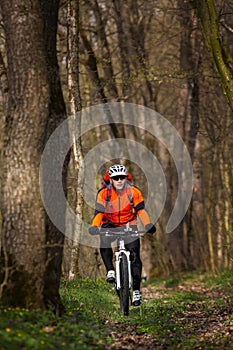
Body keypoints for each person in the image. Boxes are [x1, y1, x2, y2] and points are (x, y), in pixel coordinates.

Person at [88, 164, 156, 306]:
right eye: (116, 178)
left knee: (135, 255)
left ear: (126, 178)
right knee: (104, 240)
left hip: (128, 225)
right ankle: (110, 271)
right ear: (110, 180)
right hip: (109, 224)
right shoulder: (103, 194)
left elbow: (141, 211)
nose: (119, 180)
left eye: (122, 177)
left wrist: (148, 224)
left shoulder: (134, 192)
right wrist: (95, 226)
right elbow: (99, 212)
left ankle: (136, 291)